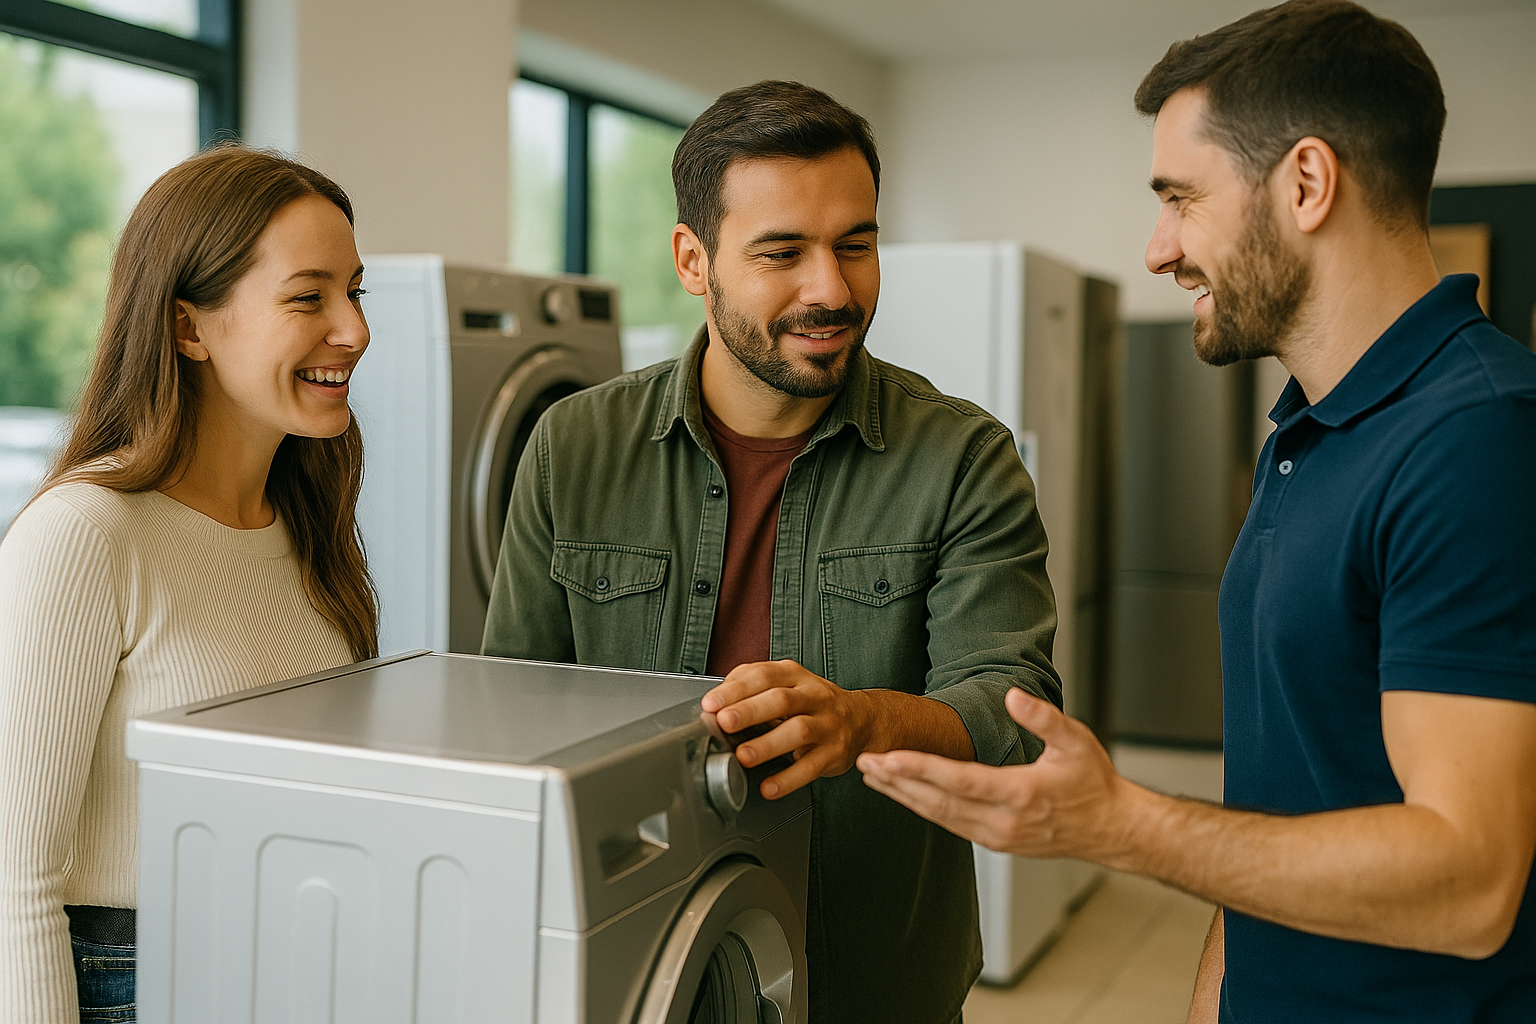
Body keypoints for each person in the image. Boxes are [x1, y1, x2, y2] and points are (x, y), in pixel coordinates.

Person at [859, 2, 1536, 1021]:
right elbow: (1283, 796)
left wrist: (1118, 824)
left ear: (1306, 182)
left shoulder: (1477, 436)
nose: (1158, 248)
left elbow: (1472, 879)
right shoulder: (1306, 431)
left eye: (1180, 196)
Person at [481, 80, 1062, 1023]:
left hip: (873, 981)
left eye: (857, 246)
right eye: (783, 252)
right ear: (693, 259)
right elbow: (507, 714)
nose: (830, 288)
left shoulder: (963, 458)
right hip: (637, 975)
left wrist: (861, 723)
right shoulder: (572, 446)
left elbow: (1013, 713)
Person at [0, 147, 375, 1023]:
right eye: (307, 296)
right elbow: (13, 882)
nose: (352, 330)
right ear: (189, 327)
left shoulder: (309, 527)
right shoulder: (87, 533)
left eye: (355, 292)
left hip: (291, 966)